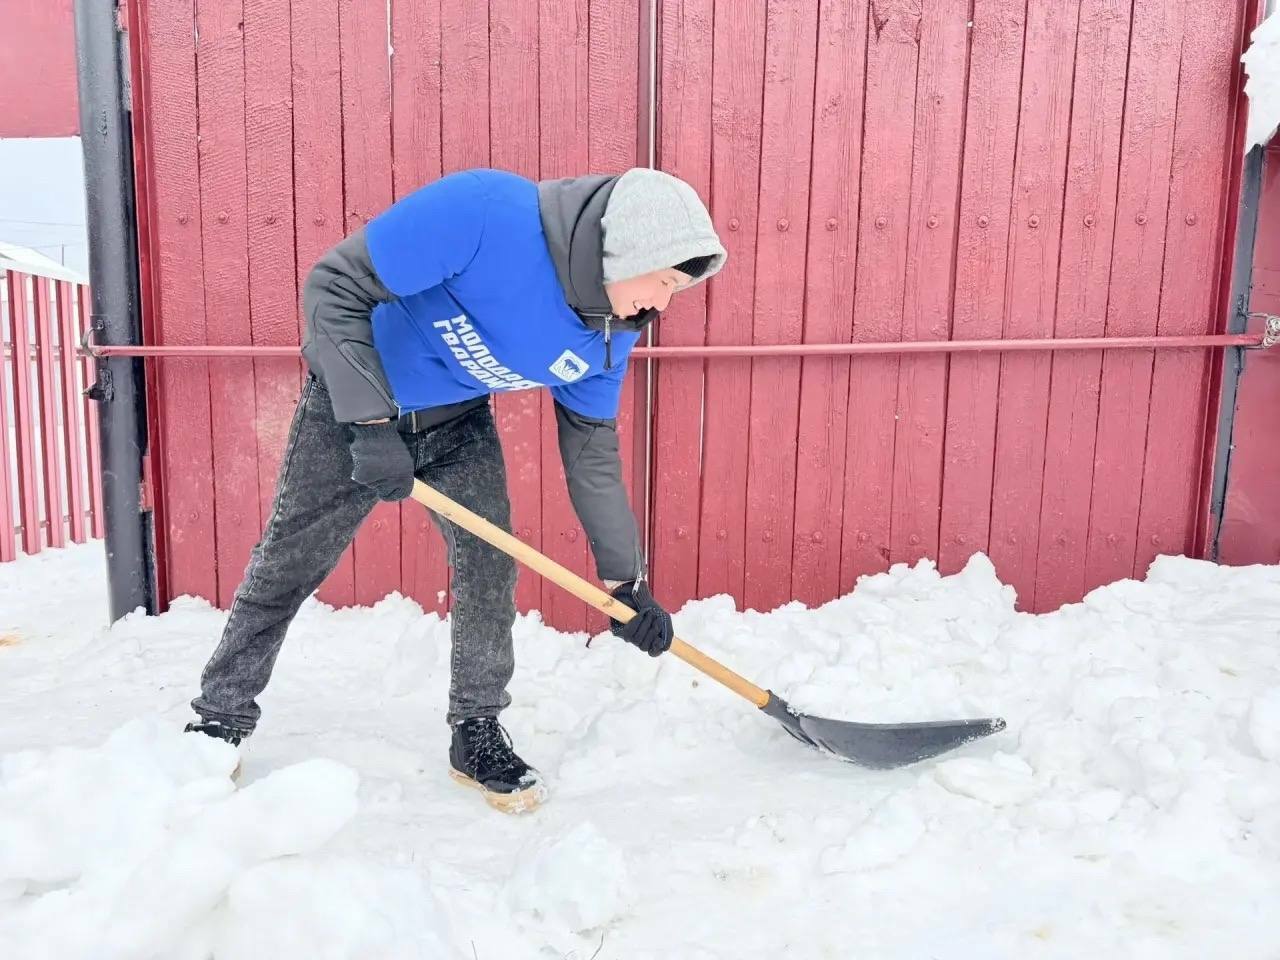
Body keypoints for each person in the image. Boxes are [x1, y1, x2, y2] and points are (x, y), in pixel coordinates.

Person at [184, 167, 727, 813]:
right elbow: (335, 286)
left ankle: (476, 728)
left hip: (457, 425)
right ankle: (219, 719)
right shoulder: (485, 213)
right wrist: (370, 422)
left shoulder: (607, 335)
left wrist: (624, 584)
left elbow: (592, 453)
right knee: (288, 565)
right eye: (665, 281)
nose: (662, 305)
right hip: (349, 414)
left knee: (488, 566)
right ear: (626, 249)